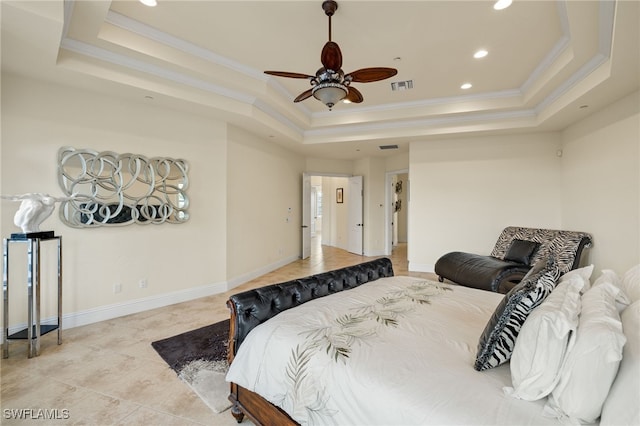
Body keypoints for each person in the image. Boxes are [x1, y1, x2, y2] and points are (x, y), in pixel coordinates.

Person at [1, 193, 75, 233]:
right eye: (46, 204)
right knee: (37, 205)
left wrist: (70, 197)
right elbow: (14, 197)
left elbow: (60, 199)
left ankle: (35, 225)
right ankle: (25, 226)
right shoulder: (33, 196)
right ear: (44, 200)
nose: (46, 206)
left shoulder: (50, 199)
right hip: (20, 219)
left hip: (32, 219)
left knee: (50, 208)